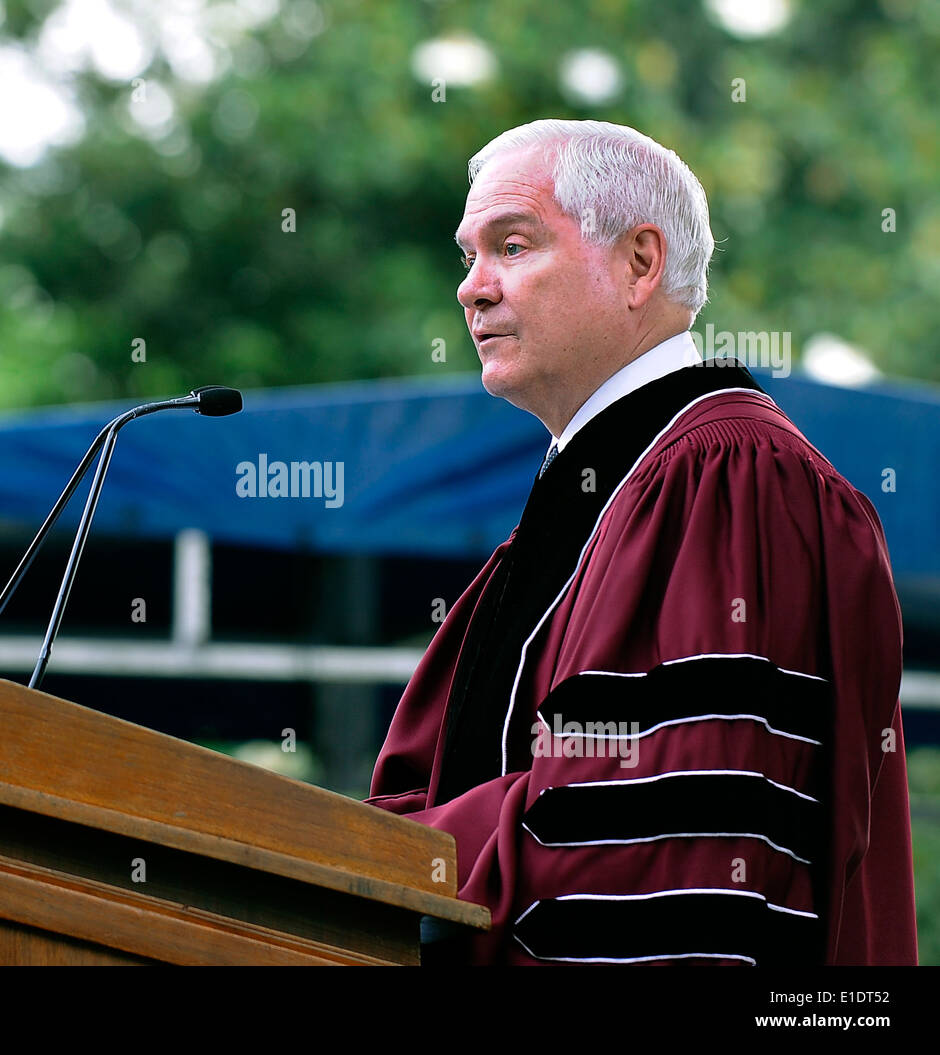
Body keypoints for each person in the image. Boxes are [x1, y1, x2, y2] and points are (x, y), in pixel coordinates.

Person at [366, 119, 917, 965]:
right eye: (467, 256)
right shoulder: (586, 507)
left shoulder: (731, 485)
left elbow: (665, 840)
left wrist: (389, 854)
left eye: (512, 246)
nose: (471, 289)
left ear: (640, 263)